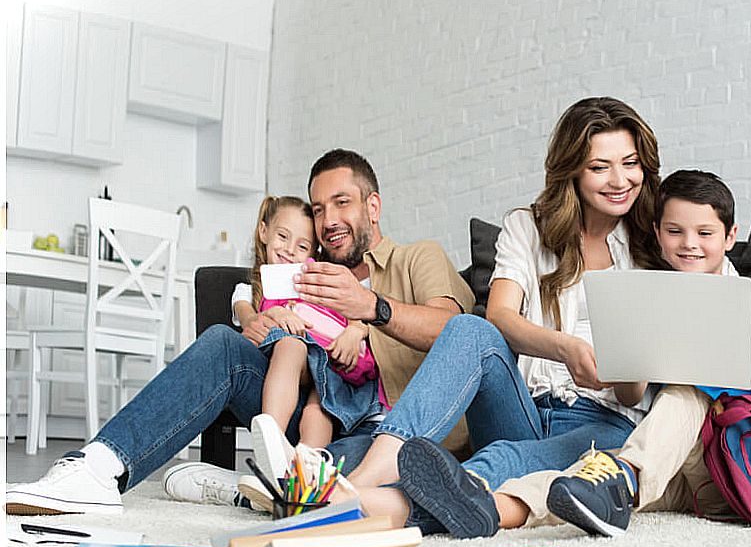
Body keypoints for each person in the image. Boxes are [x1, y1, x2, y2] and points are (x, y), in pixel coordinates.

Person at [300, 98, 751, 540]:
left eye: (630, 164)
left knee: (508, 463)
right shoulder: (528, 228)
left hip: (607, 420)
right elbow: (499, 315)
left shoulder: (660, 237)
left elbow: (721, 282)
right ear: (572, 170)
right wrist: (562, 347)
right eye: (599, 167)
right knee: (471, 328)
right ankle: (378, 468)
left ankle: (400, 503)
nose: (619, 181)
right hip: (523, 405)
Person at [5, 149, 474, 516]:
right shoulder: (309, 273)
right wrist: (263, 326)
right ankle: (99, 468)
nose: (329, 220)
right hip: (312, 410)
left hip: (385, 431)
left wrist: (369, 308)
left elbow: (455, 334)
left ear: (373, 206)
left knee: (335, 479)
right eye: (319, 208)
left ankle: (243, 490)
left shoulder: (418, 258)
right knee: (223, 346)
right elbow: (295, 350)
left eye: (342, 203)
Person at [385, 168, 751, 539]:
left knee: (686, 385)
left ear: (730, 237)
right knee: (573, 484)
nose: (690, 245)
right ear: (659, 237)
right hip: (668, 471)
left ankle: (620, 480)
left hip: (727, 467)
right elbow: (630, 397)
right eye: (675, 232)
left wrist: (714, 358)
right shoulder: (651, 297)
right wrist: (630, 357)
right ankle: (490, 509)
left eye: (705, 234)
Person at [234, 195, 388, 480]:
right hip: (304, 357)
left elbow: (355, 310)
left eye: (302, 246)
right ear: (264, 232)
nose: (290, 250)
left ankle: (307, 467)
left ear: (313, 253)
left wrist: (356, 331)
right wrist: (277, 315)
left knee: (320, 406)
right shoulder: (256, 289)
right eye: (283, 236)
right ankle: (274, 439)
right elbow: (249, 317)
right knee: (291, 347)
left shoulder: (319, 281)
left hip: (341, 365)